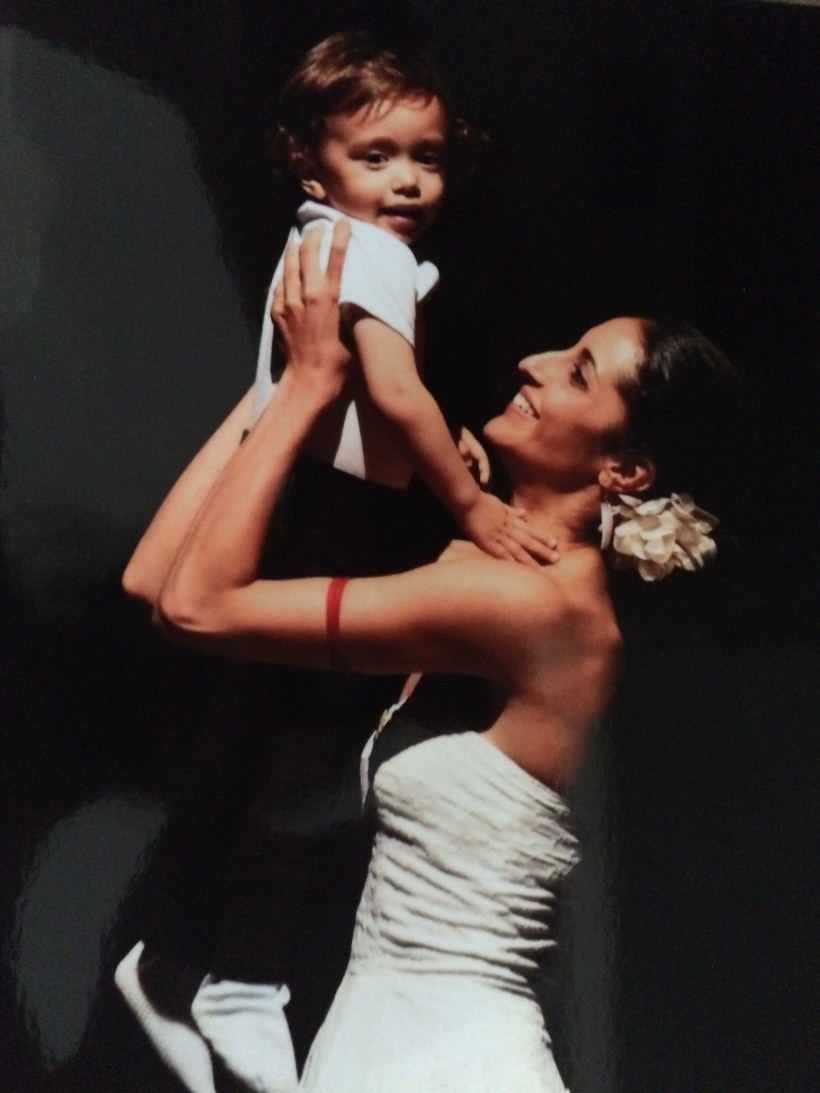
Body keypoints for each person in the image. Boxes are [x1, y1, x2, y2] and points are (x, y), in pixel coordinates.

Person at [125, 222, 737, 1092]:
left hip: (448, 1057)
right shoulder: (489, 572)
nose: (533, 363)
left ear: (626, 470)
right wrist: (276, 383)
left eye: (578, 373)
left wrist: (305, 388)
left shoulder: (527, 605)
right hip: (390, 1047)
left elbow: (196, 608)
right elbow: (157, 580)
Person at [115, 34, 554, 1093]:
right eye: (376, 155)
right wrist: (471, 502)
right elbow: (392, 392)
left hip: (308, 496)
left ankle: (204, 965)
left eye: (428, 157)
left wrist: (429, 442)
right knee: (307, 769)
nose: (408, 180)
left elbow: (373, 399)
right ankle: (232, 977)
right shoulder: (375, 256)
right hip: (319, 513)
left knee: (282, 763)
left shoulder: (329, 241)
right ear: (311, 167)